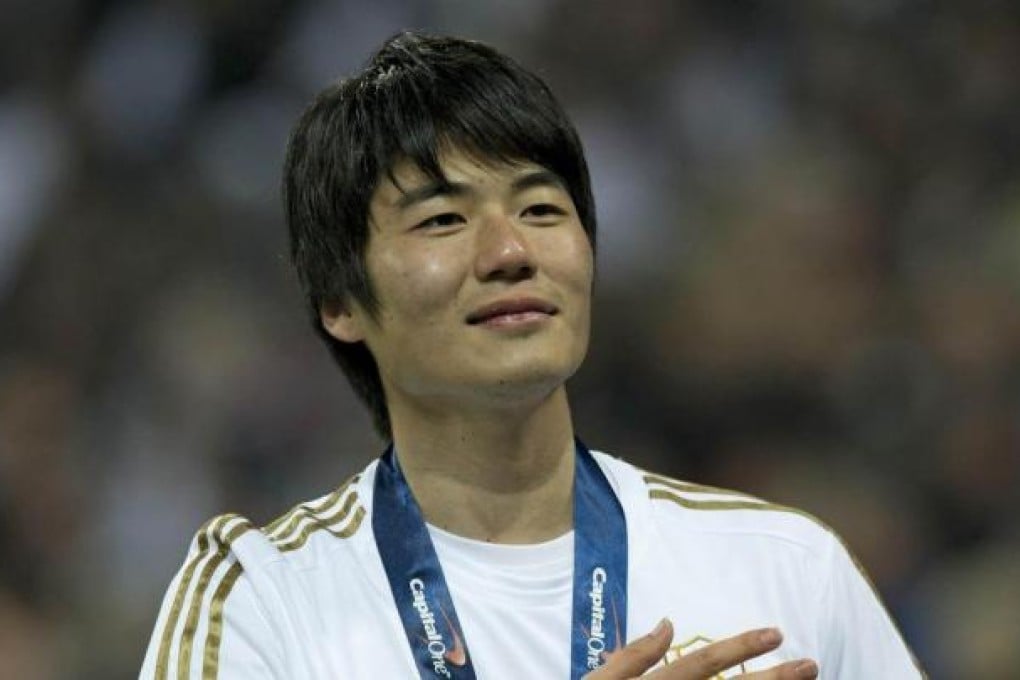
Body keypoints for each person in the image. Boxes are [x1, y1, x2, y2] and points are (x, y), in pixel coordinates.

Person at [140, 31, 925, 679]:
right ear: (341, 302)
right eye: (443, 221)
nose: (510, 251)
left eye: (542, 208)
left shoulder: (785, 571)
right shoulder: (264, 600)